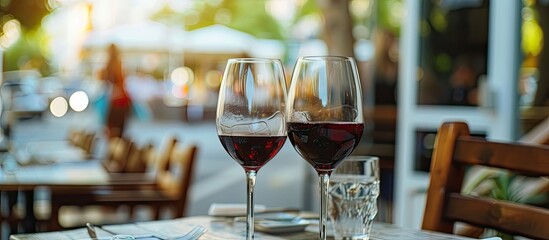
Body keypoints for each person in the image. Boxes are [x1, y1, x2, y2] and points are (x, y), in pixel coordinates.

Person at [100, 44, 132, 139]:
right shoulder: (118, 65)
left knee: (111, 129)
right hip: (120, 101)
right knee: (118, 132)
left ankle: (113, 150)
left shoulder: (110, 66)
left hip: (116, 101)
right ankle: (115, 150)